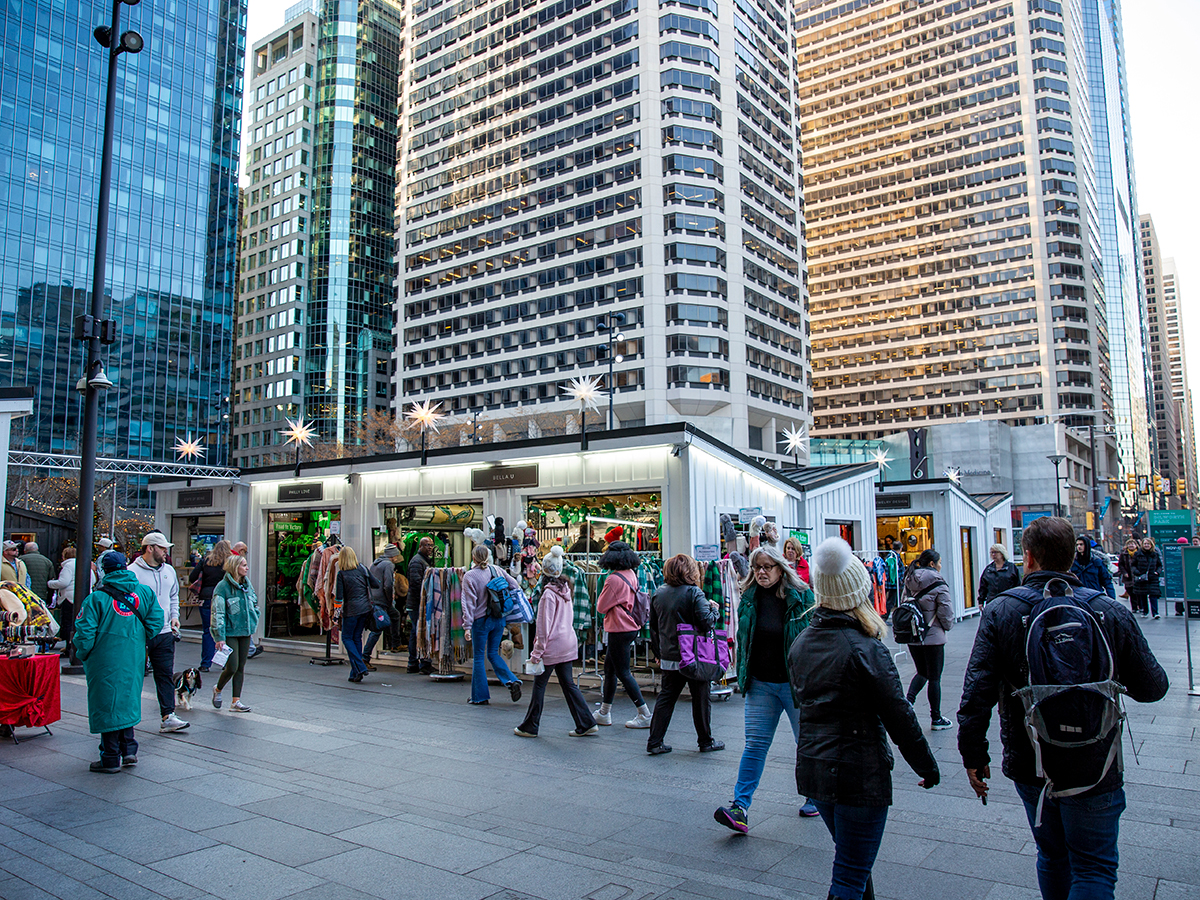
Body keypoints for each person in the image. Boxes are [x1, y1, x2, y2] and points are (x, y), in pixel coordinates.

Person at [958, 515, 1168, 900]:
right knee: (1094, 867)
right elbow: (1154, 688)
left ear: (1030, 557)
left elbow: (976, 693)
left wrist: (973, 754)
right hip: (1097, 760)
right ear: (1073, 557)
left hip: (1031, 758)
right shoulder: (1108, 610)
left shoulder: (1002, 611)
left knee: (1052, 857)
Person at [788, 536, 939, 900]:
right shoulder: (866, 648)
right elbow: (899, 715)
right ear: (859, 591)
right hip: (858, 773)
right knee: (850, 876)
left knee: (854, 864)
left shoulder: (801, 642)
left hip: (815, 770)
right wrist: (927, 767)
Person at [715, 545, 819, 834]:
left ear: (780, 568)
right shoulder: (748, 598)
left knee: (807, 743)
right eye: (757, 567)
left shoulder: (801, 596)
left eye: (767, 567)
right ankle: (740, 807)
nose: (761, 572)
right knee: (755, 745)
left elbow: (815, 636)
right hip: (760, 684)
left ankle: (815, 795)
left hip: (795, 684)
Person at [74, 551, 165, 772]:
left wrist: (83, 654)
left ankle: (110, 756)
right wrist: (139, 638)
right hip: (133, 657)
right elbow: (156, 621)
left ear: (105, 570)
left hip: (104, 660)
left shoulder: (96, 598)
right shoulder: (144, 593)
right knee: (127, 700)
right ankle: (129, 749)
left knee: (107, 704)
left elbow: (84, 634)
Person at [645, 553, 723, 755]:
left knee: (666, 698)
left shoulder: (659, 593)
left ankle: (655, 741)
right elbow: (706, 623)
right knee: (701, 698)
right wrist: (715, 610)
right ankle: (705, 740)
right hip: (695, 656)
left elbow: (653, 627)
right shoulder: (694, 593)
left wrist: (658, 652)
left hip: (670, 655)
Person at [515, 547, 596, 737]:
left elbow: (544, 628)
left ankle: (530, 726)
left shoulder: (548, 595)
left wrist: (536, 654)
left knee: (540, 685)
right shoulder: (566, 590)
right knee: (568, 684)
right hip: (568, 643)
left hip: (553, 647)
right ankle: (586, 722)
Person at [129, 531, 190, 734]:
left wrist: (175, 616)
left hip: (165, 632)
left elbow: (174, 596)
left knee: (164, 674)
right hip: (141, 632)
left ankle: (168, 715)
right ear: (150, 548)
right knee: (134, 674)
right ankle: (128, 715)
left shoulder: (169, 571)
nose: (166, 552)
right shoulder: (132, 572)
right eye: (162, 548)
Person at [594, 540, 652, 728]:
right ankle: (604, 712)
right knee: (610, 669)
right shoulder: (631, 574)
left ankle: (644, 713)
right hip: (630, 626)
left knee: (622, 672)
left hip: (619, 627)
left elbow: (601, 607)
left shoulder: (613, 579)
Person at [461, 543, 522, 704]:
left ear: (473, 558)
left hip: (481, 621)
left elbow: (469, 604)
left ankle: (479, 697)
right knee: (493, 653)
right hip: (499, 618)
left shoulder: (470, 576)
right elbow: (514, 585)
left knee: (479, 658)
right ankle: (511, 680)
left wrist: (467, 626)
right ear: (487, 557)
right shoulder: (497, 570)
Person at [902, 549, 955, 731]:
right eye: (939, 563)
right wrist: (947, 626)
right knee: (934, 677)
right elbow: (945, 611)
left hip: (914, 634)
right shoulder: (939, 583)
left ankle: (908, 702)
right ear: (932, 564)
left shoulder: (909, 579)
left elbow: (904, 603)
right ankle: (936, 718)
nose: (940, 566)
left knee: (921, 672)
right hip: (933, 635)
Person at [210, 554, 261, 711]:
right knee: (232, 666)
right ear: (235, 567)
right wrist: (219, 636)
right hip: (230, 631)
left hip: (245, 631)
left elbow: (253, 601)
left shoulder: (246, 584)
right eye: (243, 565)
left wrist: (254, 617)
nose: (246, 568)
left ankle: (235, 701)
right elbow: (217, 612)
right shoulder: (223, 587)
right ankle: (218, 689)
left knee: (241, 666)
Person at [335, 546, 380, 683]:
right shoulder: (362, 568)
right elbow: (375, 584)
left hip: (351, 610)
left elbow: (339, 598)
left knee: (347, 638)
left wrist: (336, 615)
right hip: (365, 608)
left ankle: (360, 666)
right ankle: (355, 673)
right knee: (357, 637)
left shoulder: (342, 574)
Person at [189, 540, 231, 672]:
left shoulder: (206, 561)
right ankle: (225, 661)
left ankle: (205, 663)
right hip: (223, 598)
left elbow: (192, 577)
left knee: (208, 631)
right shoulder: (229, 563)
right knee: (224, 630)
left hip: (206, 597)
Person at [48, 545, 96, 654]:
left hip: (69, 598)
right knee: (80, 622)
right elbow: (92, 580)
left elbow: (63, 582)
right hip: (84, 597)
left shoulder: (68, 566)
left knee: (68, 623)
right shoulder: (85, 564)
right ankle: (77, 646)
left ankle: (69, 646)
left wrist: (50, 583)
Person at [363, 543, 402, 667]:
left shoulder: (375, 564)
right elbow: (388, 584)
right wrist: (390, 599)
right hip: (381, 601)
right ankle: (365, 658)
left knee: (395, 616)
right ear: (393, 556)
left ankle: (395, 643)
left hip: (373, 599)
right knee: (378, 628)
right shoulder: (389, 565)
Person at [406, 536, 435, 673]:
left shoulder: (422, 561)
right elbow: (416, 583)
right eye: (427, 545)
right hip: (417, 603)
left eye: (431, 545)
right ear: (421, 546)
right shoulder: (417, 562)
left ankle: (416, 662)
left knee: (418, 632)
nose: (430, 548)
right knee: (418, 632)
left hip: (419, 602)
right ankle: (418, 662)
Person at [1130, 536, 1163, 619]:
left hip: (1152, 578)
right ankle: (1145, 611)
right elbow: (1133, 565)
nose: (1146, 545)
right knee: (1143, 595)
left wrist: (1157, 572)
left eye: (1148, 544)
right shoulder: (1138, 554)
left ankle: (1155, 613)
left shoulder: (1155, 554)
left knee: (1153, 596)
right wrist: (1137, 572)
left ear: (1151, 545)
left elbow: (1159, 565)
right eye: (1145, 544)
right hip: (1142, 578)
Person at [977, 543, 1020, 608]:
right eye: (991, 553)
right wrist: (981, 601)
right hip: (992, 602)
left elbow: (1018, 585)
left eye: (996, 552)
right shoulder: (988, 569)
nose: (993, 555)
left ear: (1002, 553)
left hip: (1008, 602)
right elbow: (983, 586)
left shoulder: (1011, 568)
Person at [1115, 538, 1138, 608]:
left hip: (1137, 575)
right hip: (1127, 576)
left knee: (1137, 591)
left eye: (1132, 544)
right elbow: (1121, 564)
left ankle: (1139, 605)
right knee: (1130, 591)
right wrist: (1124, 572)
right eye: (1129, 544)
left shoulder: (1139, 553)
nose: (1131, 545)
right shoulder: (1124, 554)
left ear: (1136, 545)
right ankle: (1134, 607)